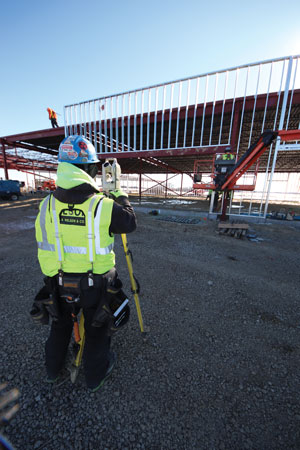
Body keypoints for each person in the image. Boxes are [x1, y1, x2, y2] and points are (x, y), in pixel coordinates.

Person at [34, 135, 136, 391]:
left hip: (57, 283)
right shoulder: (104, 206)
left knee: (60, 326)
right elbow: (129, 222)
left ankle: (51, 370)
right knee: (97, 330)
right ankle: (94, 378)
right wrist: (119, 192)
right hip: (96, 286)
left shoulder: (45, 205)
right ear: (88, 169)